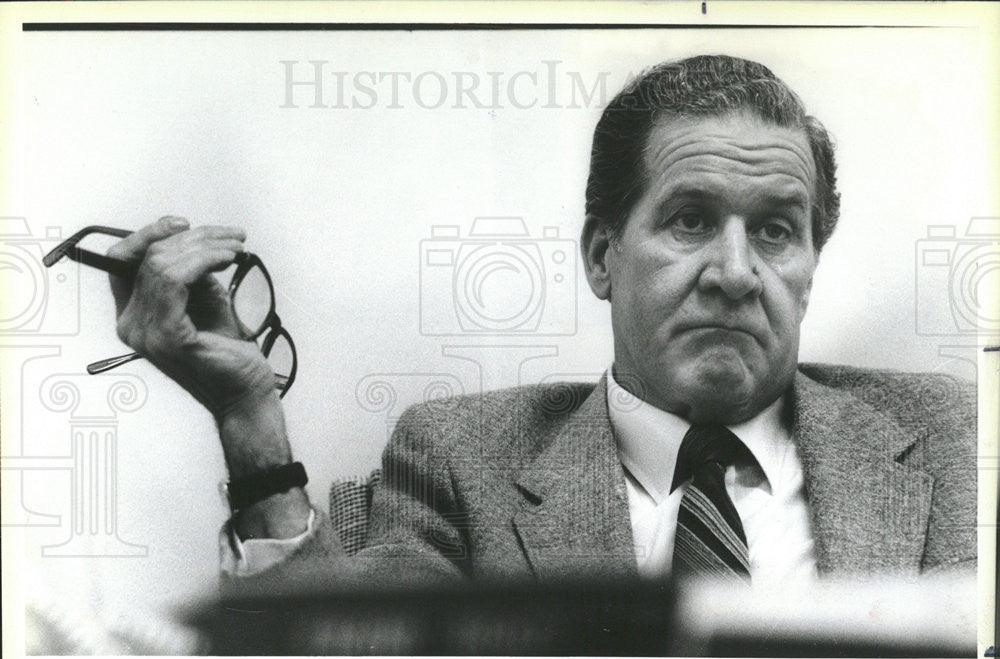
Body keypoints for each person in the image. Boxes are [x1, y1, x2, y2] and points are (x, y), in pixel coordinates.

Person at [107, 55, 975, 596]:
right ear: (602, 257)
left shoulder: (954, 438)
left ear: (810, 265)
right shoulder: (461, 460)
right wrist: (249, 421)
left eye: (778, 231)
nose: (737, 273)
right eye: (690, 219)